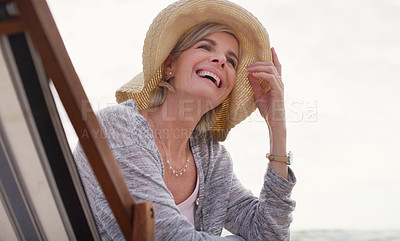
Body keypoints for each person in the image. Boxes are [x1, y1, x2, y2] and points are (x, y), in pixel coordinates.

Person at [74, 0, 296, 240]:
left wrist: (277, 127)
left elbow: (269, 233)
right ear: (170, 65)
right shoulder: (119, 127)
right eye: (205, 47)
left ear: (225, 93)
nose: (220, 60)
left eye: (231, 61)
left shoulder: (212, 159)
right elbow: (169, 237)